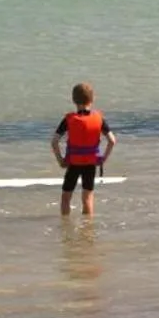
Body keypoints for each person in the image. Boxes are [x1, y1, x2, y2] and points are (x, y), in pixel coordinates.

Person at [50, 82, 116, 219]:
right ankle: (88, 230)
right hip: (90, 164)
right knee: (87, 198)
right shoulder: (99, 118)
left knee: (66, 197)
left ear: (74, 100)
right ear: (92, 100)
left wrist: (60, 160)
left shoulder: (68, 119)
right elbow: (112, 140)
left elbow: (54, 141)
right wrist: (103, 158)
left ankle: (65, 227)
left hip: (73, 163)